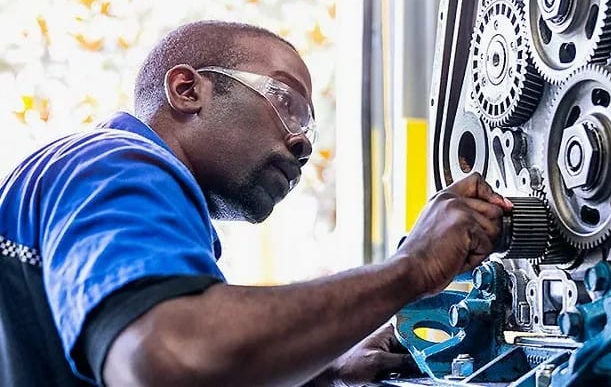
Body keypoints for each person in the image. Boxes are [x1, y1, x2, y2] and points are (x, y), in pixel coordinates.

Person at [0, 20, 512, 387]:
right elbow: (168, 359)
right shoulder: (117, 164)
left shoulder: (97, 177)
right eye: (286, 102)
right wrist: (412, 267)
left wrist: (324, 366)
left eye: (309, 129)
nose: (303, 145)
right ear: (186, 89)